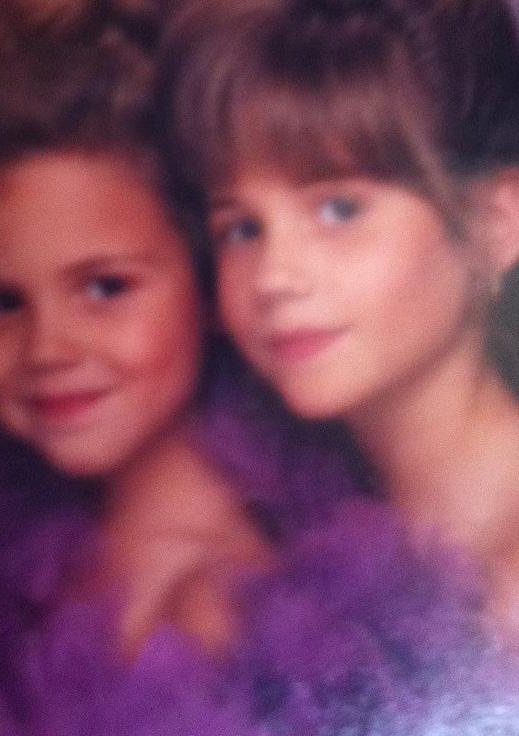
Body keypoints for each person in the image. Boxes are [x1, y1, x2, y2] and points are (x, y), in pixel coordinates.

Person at [159, 0, 519, 637]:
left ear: (494, 226)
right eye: (242, 228)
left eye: (339, 211)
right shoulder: (273, 528)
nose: (273, 277)